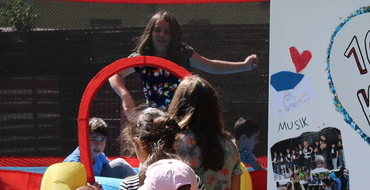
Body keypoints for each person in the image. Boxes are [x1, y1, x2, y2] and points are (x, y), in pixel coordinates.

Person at [108, 11, 258, 114]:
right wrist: (126, 97)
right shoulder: (143, 57)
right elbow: (114, 74)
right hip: (154, 118)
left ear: (174, 35)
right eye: (158, 30)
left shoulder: (182, 53)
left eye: (168, 31)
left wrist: (243, 65)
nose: (162, 34)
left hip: (181, 116)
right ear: (150, 33)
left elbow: (210, 65)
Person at [64, 116, 134, 179]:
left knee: (119, 164)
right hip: (83, 189)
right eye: (93, 139)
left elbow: (114, 168)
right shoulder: (74, 162)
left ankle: (141, 185)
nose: (98, 145)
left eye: (102, 140)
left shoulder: (100, 156)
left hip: (97, 185)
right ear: (83, 139)